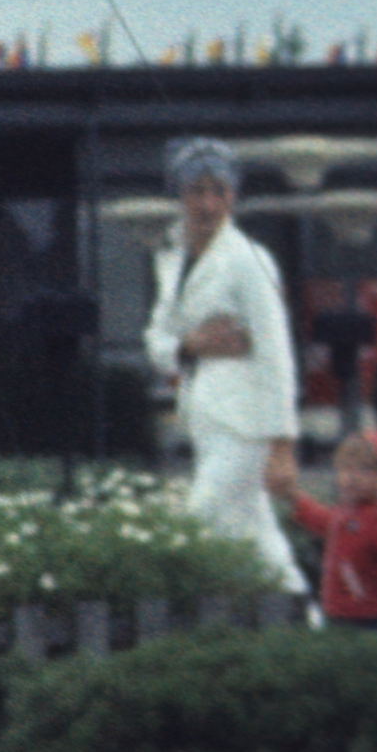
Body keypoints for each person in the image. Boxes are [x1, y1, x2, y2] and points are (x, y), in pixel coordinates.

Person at [138, 136, 303, 600]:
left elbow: (276, 351)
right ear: (179, 193)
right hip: (205, 419)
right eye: (197, 191)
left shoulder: (249, 259)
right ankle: (307, 621)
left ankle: (182, 624)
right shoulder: (171, 256)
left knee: (201, 520)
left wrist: (283, 445)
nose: (208, 203)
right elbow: (156, 341)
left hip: (247, 424)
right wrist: (190, 346)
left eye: (220, 191)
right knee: (260, 537)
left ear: (234, 195)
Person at [292, 426, 377, 628]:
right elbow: (323, 520)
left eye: (365, 470)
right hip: (338, 611)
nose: (352, 477)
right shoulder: (344, 512)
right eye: (345, 468)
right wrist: (294, 498)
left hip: (376, 616)